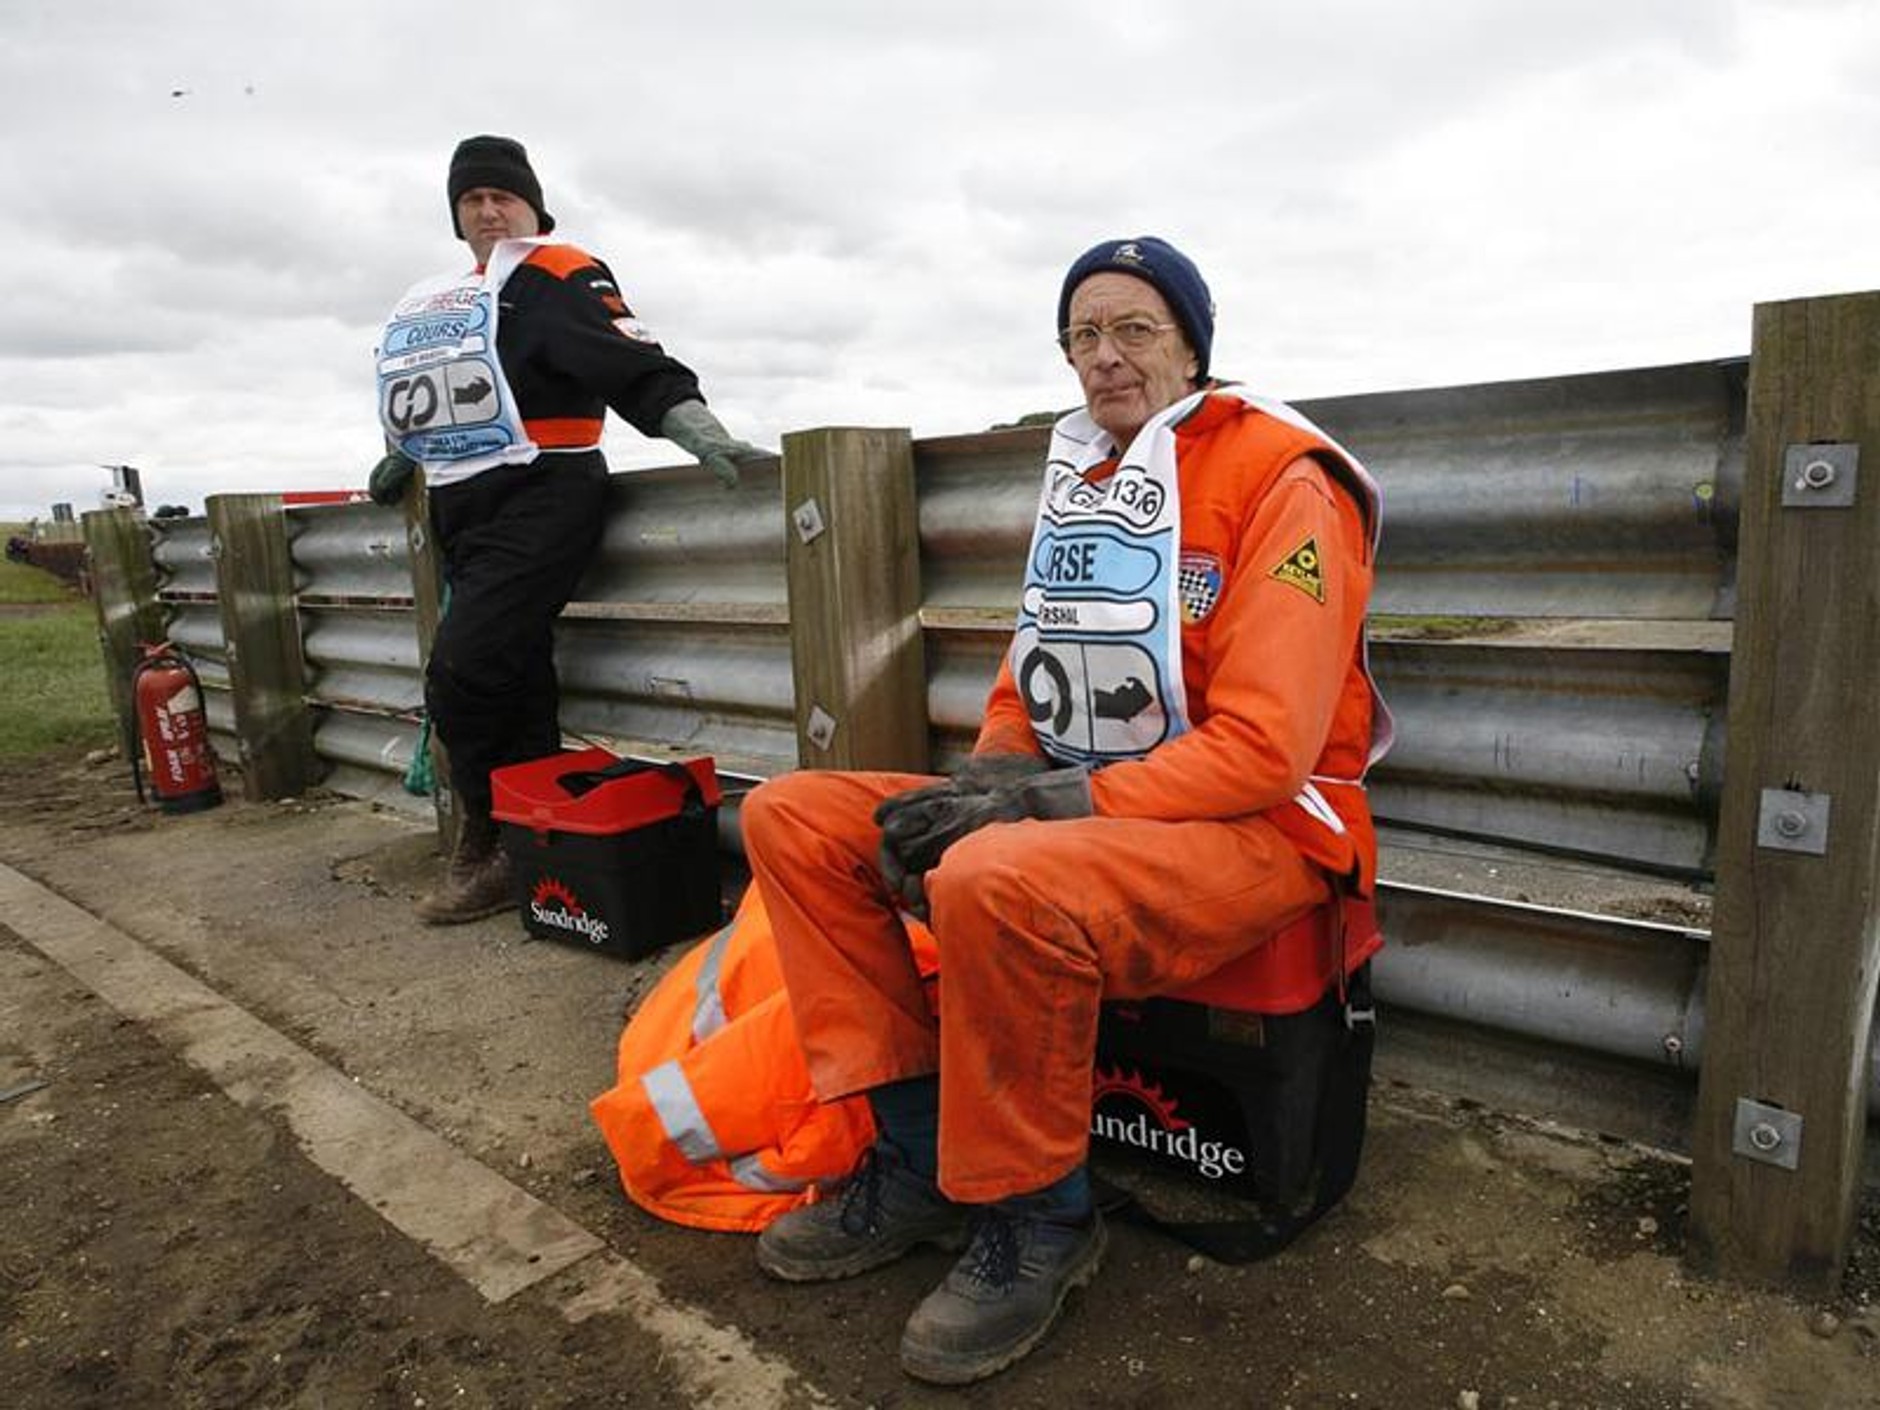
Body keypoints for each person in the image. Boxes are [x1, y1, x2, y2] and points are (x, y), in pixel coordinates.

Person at [736, 236, 1390, 1385]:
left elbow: (1265, 750)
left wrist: (1044, 810)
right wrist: (991, 777)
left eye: (1134, 328)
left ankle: (1040, 1215)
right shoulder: (1090, 479)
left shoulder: (1285, 480)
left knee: (994, 874)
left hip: (1260, 832)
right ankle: (917, 1161)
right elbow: (1028, 680)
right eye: (1081, 335)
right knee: (793, 816)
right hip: (1082, 812)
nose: (1104, 357)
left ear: (1192, 345)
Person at [370, 134, 766, 924]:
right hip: (462, 505)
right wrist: (399, 456)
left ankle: (484, 841)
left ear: (532, 206)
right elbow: (442, 396)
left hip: (543, 494)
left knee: (462, 668)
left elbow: (623, 353)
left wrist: (692, 424)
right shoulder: (442, 304)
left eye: (502, 196)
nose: (488, 210)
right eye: (471, 199)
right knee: (513, 675)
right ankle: (536, 842)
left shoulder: (555, 271)